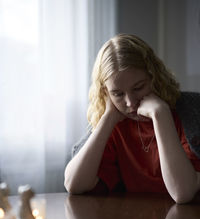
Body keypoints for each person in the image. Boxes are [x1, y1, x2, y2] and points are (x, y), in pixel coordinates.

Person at [64, 33, 200, 203]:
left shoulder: (189, 114)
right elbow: (73, 184)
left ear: (154, 77)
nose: (130, 103)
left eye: (138, 87)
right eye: (118, 93)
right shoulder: (116, 123)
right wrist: (107, 118)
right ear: (106, 93)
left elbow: (183, 192)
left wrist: (160, 114)